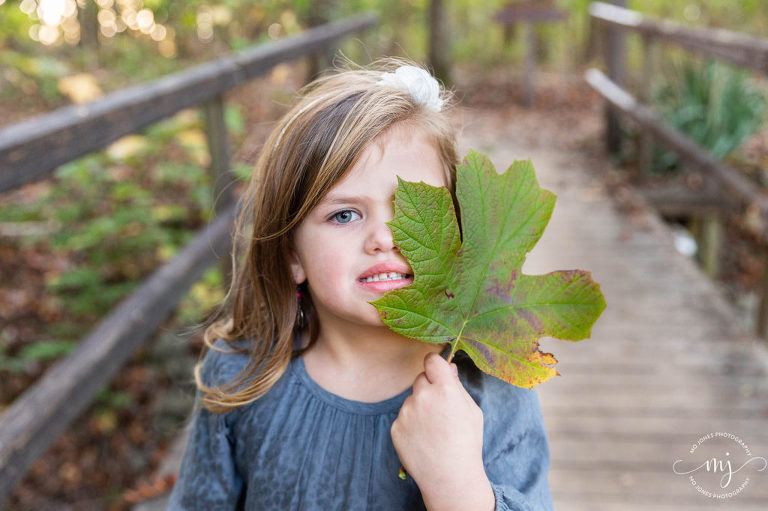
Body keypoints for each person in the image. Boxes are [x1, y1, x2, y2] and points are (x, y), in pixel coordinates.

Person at [168, 58, 554, 511]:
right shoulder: (241, 375)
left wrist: (458, 488)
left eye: (416, 208)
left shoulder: (489, 386)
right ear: (292, 256)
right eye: (344, 214)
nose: (385, 238)